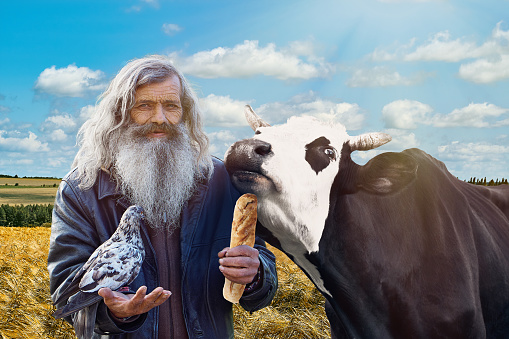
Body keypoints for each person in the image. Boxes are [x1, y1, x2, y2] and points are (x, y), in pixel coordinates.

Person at [47, 55, 278, 339]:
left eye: (171, 106)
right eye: (144, 105)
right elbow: (65, 293)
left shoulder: (220, 180)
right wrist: (115, 313)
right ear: (121, 113)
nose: (160, 118)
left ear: (185, 113)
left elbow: (263, 269)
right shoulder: (81, 189)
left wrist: (255, 275)